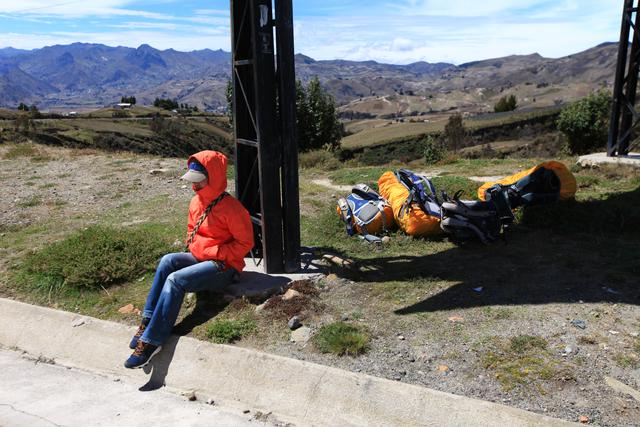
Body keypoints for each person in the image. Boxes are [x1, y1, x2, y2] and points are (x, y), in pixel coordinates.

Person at [124, 150, 254, 369]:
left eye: (199, 182)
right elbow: (191, 233)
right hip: (201, 257)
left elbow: (245, 244)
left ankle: (151, 341)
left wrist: (213, 252)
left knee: (176, 280)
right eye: (191, 181)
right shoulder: (196, 202)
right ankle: (147, 322)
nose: (194, 186)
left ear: (213, 178)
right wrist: (201, 249)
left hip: (224, 266)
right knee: (168, 261)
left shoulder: (232, 209)